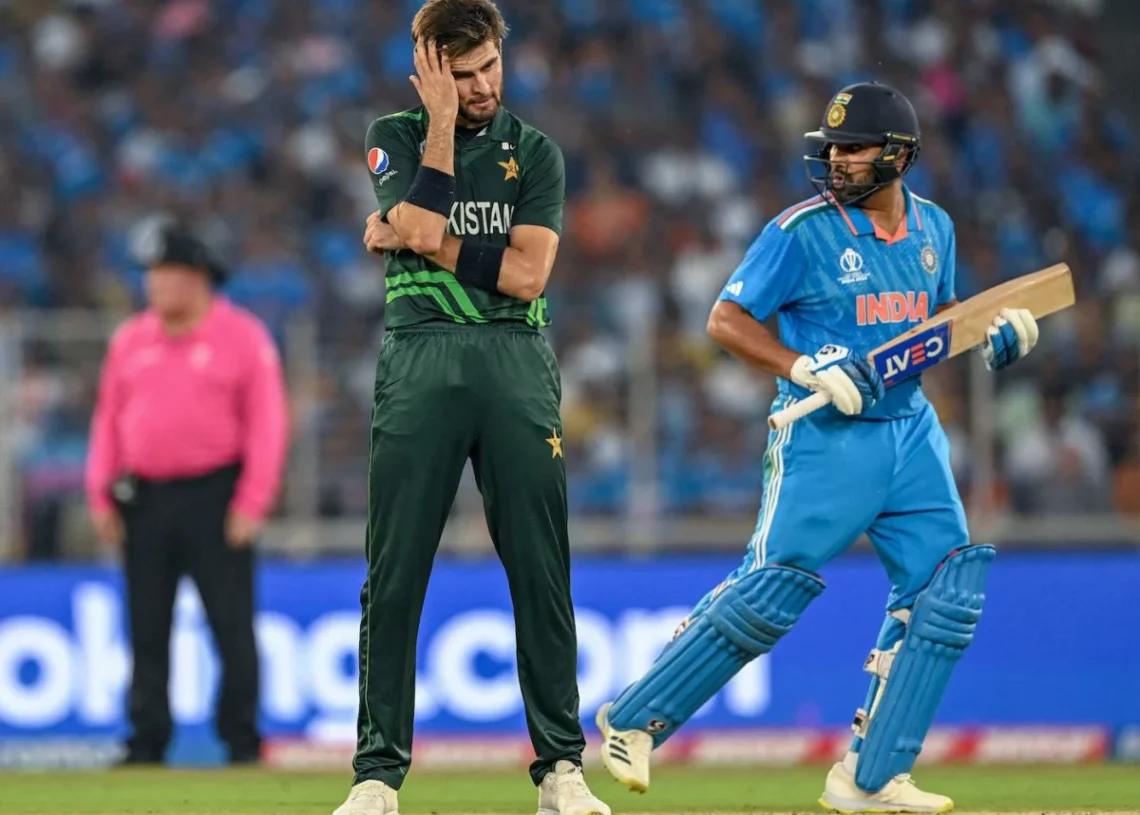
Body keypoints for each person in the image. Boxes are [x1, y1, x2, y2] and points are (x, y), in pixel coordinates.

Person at [594, 82, 1041, 813]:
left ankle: (871, 776)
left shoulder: (935, 226)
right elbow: (726, 319)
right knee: (772, 587)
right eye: (832, 147)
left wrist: (991, 330)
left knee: (947, 591)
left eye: (854, 148)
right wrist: (803, 367)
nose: (837, 160)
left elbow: (942, 317)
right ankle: (635, 717)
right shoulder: (800, 232)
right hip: (826, 434)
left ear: (899, 155)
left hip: (910, 430)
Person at [335, 2, 609, 814]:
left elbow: (526, 276)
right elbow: (421, 220)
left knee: (541, 569)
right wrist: (441, 130)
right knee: (394, 573)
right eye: (461, 75)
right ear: (429, 75)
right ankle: (376, 776)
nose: (483, 85)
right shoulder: (394, 134)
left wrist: (416, 237)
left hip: (514, 355)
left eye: (489, 65)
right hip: (419, 354)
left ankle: (561, 769)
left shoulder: (537, 153)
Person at [85, 221, 290, 766]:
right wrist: (100, 496)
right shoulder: (130, 340)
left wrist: (252, 500)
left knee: (231, 623)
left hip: (216, 496)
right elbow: (108, 423)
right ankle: (146, 740)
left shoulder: (242, 337)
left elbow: (267, 424)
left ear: (198, 279)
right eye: (152, 275)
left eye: (166, 274)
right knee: (146, 626)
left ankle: (241, 740)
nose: (154, 285)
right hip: (143, 498)